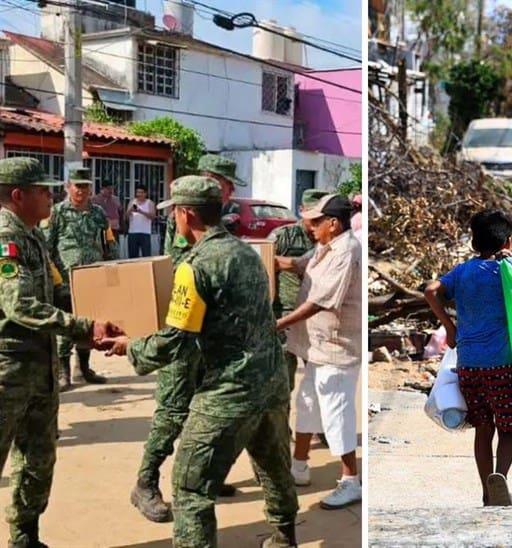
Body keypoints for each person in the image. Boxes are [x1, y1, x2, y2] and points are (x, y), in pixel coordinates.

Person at [101, 175, 298, 548]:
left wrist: (130, 347)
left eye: (175, 210)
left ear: (186, 214)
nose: (174, 217)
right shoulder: (247, 253)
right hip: (271, 382)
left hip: (230, 389)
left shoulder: (197, 265)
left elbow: (177, 337)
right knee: (274, 465)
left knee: (190, 487)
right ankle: (284, 536)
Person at [0, 157, 122, 548]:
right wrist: (85, 327)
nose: (50, 196)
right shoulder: (6, 239)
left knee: (37, 460)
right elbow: (20, 305)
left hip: (39, 368)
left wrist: (103, 312)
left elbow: (55, 294)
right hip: (8, 369)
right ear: (18, 196)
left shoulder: (33, 234)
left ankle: (24, 537)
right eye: (41, 190)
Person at [133, 154, 246, 524]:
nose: (229, 194)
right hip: (183, 331)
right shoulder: (185, 223)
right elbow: (188, 272)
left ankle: (201, 477)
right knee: (172, 411)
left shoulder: (220, 224)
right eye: (226, 186)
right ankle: (145, 483)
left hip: (211, 336)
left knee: (206, 409)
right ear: (210, 182)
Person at [424, 209, 512, 507]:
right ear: (508, 241)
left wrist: (450, 327)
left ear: (473, 242)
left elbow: (431, 291)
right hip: (502, 365)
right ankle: (501, 478)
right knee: (509, 428)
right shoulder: (511, 268)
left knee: (484, 429)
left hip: (469, 366)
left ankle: (487, 492)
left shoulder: (462, 272)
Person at [276, 194, 362, 510]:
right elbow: (301, 265)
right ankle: (299, 467)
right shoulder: (327, 247)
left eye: (315, 222)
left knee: (337, 413)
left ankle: (351, 481)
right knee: (308, 403)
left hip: (337, 348)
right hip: (318, 348)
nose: (309, 227)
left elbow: (320, 301)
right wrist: (272, 260)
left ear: (333, 224)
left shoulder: (347, 250)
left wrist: (277, 324)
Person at [43, 167, 118, 391]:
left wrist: (113, 269)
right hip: (65, 279)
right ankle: (63, 373)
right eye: (77, 186)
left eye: (85, 186)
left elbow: (109, 242)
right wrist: (55, 278)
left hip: (93, 278)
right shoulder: (56, 213)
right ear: (68, 187)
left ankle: (83, 368)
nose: (81, 191)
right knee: (66, 324)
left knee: (89, 323)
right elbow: (46, 246)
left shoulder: (98, 213)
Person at [270, 189, 327, 388]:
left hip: (317, 318)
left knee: (322, 382)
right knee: (283, 383)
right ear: (301, 210)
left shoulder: (329, 239)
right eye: (311, 214)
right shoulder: (284, 236)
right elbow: (265, 269)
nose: (315, 220)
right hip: (286, 316)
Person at [126, 186, 155, 258]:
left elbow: (152, 216)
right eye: (138, 192)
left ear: (145, 193)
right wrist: (130, 210)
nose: (139, 194)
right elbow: (126, 217)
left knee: (146, 256)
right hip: (133, 233)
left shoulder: (150, 203)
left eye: (141, 192)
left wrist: (141, 211)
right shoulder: (132, 202)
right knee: (132, 256)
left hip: (145, 233)